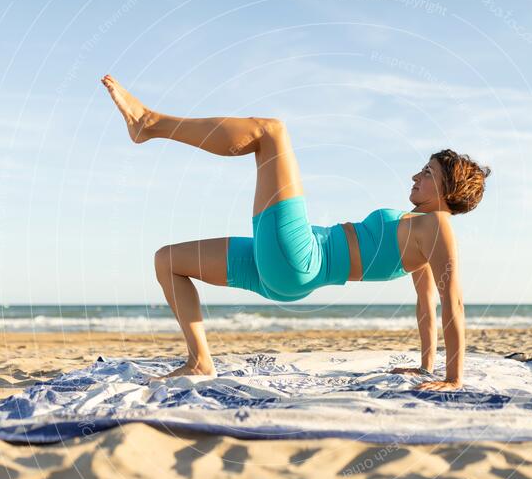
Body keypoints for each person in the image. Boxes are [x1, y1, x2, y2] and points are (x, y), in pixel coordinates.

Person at [100, 75, 491, 391]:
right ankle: (200, 361)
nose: (415, 176)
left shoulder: (437, 225)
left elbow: (449, 302)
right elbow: (426, 305)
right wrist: (425, 366)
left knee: (271, 132)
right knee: (167, 261)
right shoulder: (420, 231)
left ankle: (149, 124)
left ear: (448, 191)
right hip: (286, 272)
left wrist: (452, 379)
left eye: (428, 173)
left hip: (301, 256)